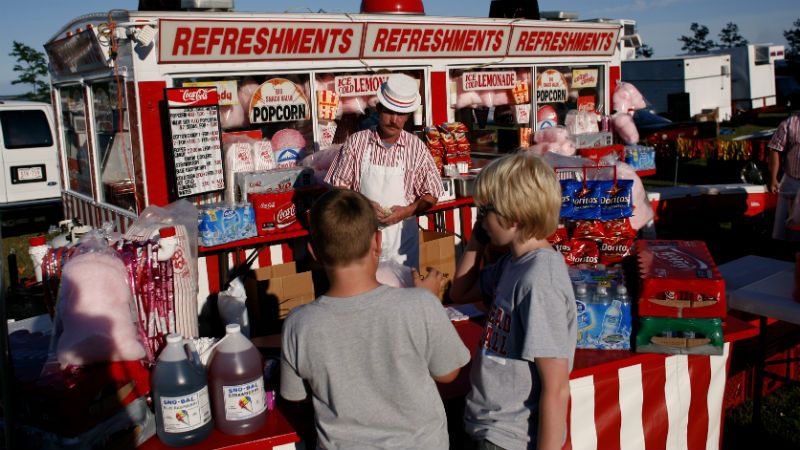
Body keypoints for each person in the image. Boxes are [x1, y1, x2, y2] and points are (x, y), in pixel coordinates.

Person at [280, 189, 470, 449]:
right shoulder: (420, 304)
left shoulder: (298, 324)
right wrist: (428, 304)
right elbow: (448, 373)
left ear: (313, 252)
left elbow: (295, 396)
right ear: (377, 243)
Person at [450, 153, 577, 450]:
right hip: (489, 426)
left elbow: (556, 387)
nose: (480, 219)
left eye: (485, 211)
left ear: (514, 215)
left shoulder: (538, 278)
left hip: (509, 437)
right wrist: (475, 241)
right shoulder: (514, 263)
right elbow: (461, 291)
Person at [324, 73, 443, 269]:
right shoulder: (357, 142)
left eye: (401, 114)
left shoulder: (417, 147)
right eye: (389, 112)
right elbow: (338, 188)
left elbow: (432, 195)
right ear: (378, 109)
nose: (394, 120)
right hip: (361, 239)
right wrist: (363, 204)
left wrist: (407, 211)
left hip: (402, 243)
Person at [768, 110, 800, 240]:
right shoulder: (790, 122)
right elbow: (775, 149)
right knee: (781, 227)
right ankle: (781, 252)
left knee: (797, 223)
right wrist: (773, 178)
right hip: (791, 179)